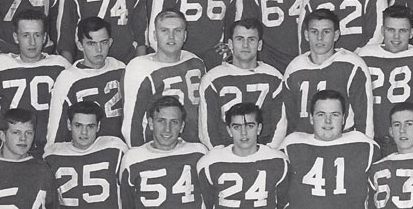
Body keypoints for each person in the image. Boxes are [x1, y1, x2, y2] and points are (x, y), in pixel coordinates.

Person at [0, 10, 70, 154]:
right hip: (12, 150)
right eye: (26, 35)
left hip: (52, 148)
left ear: (45, 37)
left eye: (37, 35)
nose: (32, 42)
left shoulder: (61, 66)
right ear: (16, 37)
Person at [358, 5, 413, 155]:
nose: (396, 37)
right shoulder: (365, 55)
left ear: (411, 32)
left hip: (410, 145)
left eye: (403, 31)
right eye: (390, 30)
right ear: (382, 31)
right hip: (372, 142)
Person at [283, 9, 373, 137]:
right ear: (306, 35)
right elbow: (290, 118)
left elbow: (364, 116)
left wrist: (364, 143)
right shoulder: (294, 67)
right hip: (305, 141)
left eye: (326, 32)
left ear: (336, 35)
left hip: (342, 139)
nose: (319, 38)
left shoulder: (352, 64)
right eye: (314, 32)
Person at [199, 18, 286, 149]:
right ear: (230, 43)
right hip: (224, 153)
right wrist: (221, 154)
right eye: (239, 39)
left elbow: (280, 126)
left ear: (260, 45)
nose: (245, 45)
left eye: (251, 39)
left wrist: (267, 152)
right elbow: (207, 129)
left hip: (264, 152)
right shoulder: (212, 78)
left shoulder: (275, 77)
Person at [122, 9, 205, 146]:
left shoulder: (195, 62)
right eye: (164, 31)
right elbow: (132, 123)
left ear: (185, 35)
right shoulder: (139, 68)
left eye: (177, 31)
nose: (171, 37)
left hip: (192, 146)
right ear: (155, 35)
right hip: (156, 148)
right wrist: (139, 152)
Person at [47, 16, 126, 144]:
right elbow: (56, 129)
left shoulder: (120, 68)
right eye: (91, 43)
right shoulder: (68, 79)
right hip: (84, 150)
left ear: (110, 42)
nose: (99, 49)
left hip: (118, 147)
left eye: (104, 42)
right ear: (80, 45)